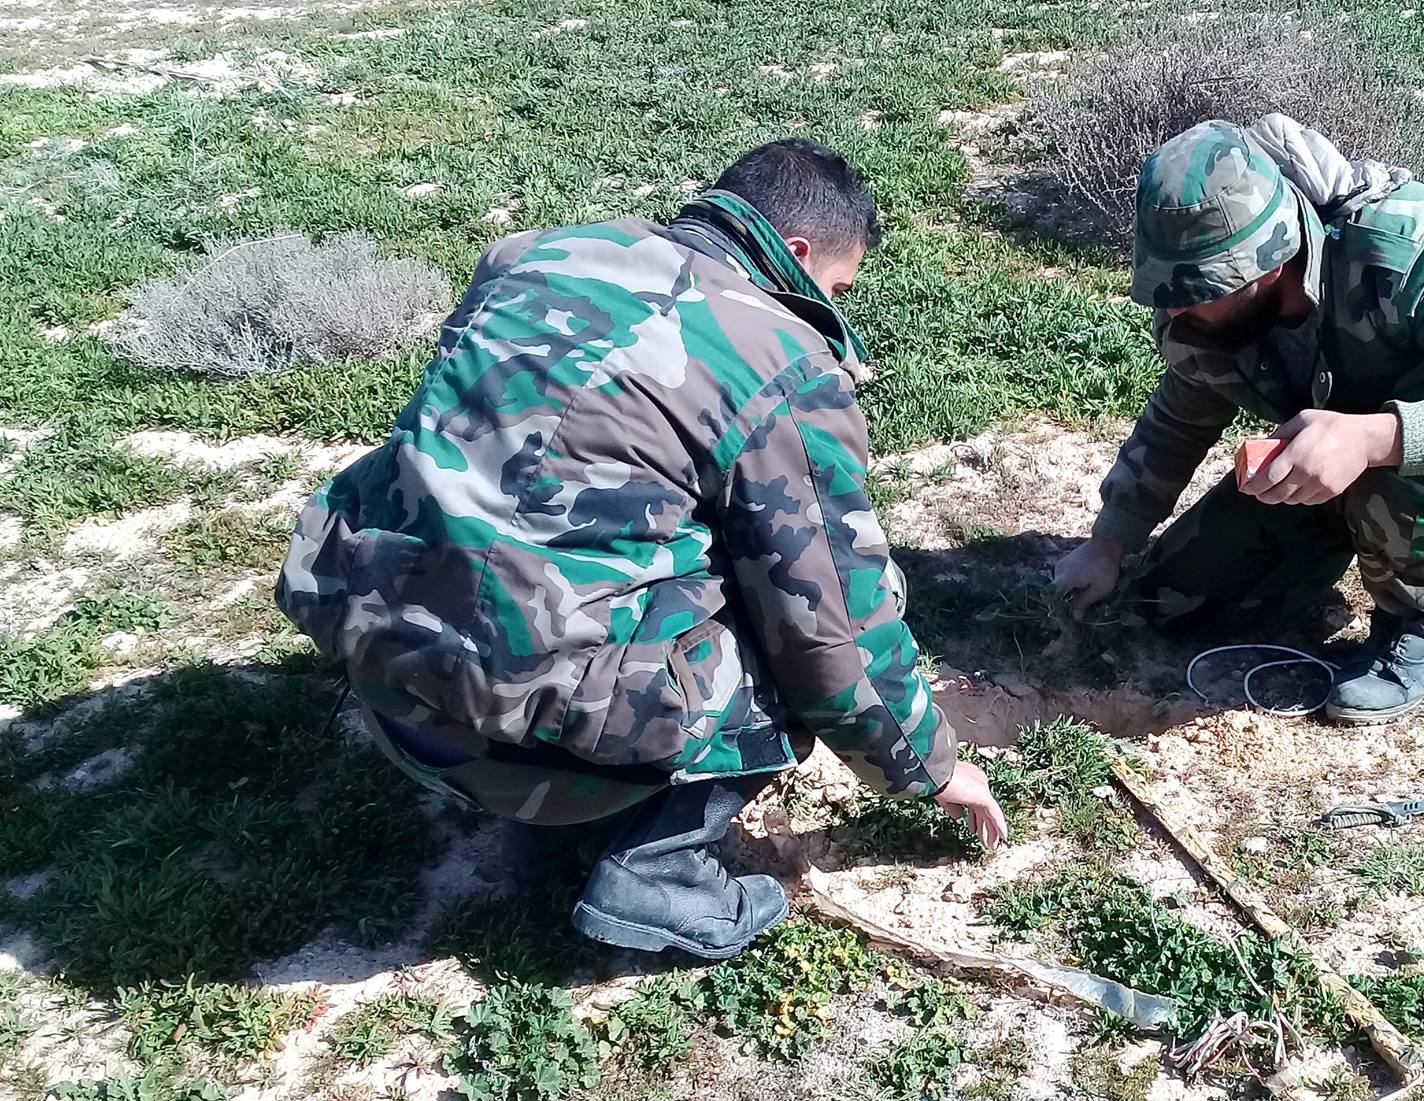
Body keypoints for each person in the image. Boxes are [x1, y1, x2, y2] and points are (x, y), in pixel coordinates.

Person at [276, 139, 1007, 961]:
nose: (831, 305)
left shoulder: (534, 253)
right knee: (788, 629)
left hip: (390, 663)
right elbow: (832, 622)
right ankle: (657, 876)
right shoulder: (778, 359)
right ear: (797, 254)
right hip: (510, 697)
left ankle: (537, 826)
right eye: (836, 288)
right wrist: (933, 768)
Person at [1053, 115, 1424, 723]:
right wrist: (1110, 540)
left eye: (1202, 289)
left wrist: (1376, 437)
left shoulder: (1417, 247)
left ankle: (1418, 626)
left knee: (1387, 469)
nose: (1181, 307)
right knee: (1172, 604)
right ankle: (1343, 530)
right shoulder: (1198, 307)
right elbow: (1180, 414)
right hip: (1324, 465)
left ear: (1269, 264)